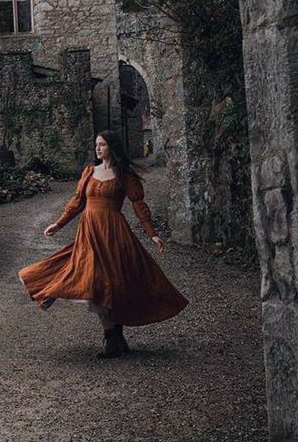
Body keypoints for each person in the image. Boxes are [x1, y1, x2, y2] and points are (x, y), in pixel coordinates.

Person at [18, 130, 188, 357]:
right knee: (93, 282)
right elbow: (76, 203)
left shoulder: (125, 176)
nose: (98, 149)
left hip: (114, 234)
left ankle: (116, 339)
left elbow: (139, 206)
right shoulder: (90, 171)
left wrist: (152, 234)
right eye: (97, 145)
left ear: (113, 147)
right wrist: (58, 225)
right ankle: (113, 339)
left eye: (103, 145)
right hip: (90, 234)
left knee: (114, 284)